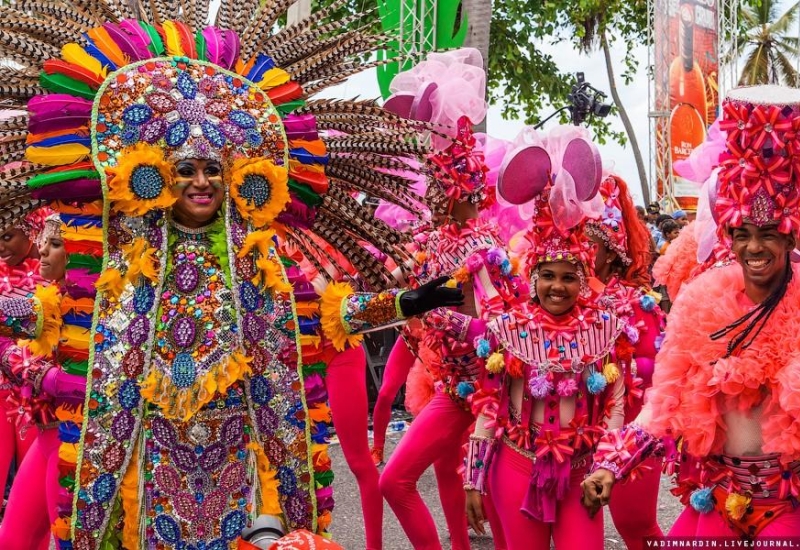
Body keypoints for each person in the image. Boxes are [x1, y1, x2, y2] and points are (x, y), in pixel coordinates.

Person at [0, 3, 463, 548]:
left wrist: (406, 303)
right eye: (186, 170)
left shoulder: (255, 260)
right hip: (150, 454)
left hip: (235, 454)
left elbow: (323, 317)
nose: (201, 182)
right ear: (159, 176)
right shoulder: (125, 256)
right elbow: (56, 314)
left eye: (212, 170)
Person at [583, 85, 800, 541]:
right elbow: (664, 401)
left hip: (790, 502)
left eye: (768, 234)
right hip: (719, 494)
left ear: (789, 238)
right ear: (728, 238)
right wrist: (612, 464)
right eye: (743, 234)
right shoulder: (701, 303)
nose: (754, 247)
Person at [463, 129, 624, 550]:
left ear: (582, 280)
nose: (558, 287)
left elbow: (615, 405)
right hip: (516, 466)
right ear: (533, 279)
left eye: (569, 277)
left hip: (581, 473)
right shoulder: (509, 329)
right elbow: (490, 406)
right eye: (548, 276)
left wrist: (606, 467)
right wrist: (473, 479)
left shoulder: (603, 328)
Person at [378, 117, 521, 550]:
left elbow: (504, 332)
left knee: (492, 503)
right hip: (453, 389)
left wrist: (444, 319)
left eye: (439, 185)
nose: (431, 196)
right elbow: (392, 285)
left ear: (461, 189)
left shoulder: (485, 250)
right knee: (395, 480)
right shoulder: (435, 241)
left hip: (493, 397)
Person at [583, 175, 664, 550]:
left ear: (612, 251)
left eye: (590, 243)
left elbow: (655, 371)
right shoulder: (566, 298)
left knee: (635, 524)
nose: (581, 251)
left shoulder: (637, 303)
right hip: (576, 432)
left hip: (632, 429)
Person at [0, 213, 86, 549]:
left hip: (73, 443)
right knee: (12, 539)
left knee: (68, 541)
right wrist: (39, 373)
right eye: (43, 242)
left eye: (55, 244)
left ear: (79, 253)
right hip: (45, 438)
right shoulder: (46, 301)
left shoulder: (97, 310)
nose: (43, 250)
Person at [0, 210, 48, 518]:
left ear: (32, 231)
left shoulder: (51, 270)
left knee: (32, 497)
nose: (1, 247)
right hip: (1, 392)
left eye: (7, 236)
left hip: (37, 396)